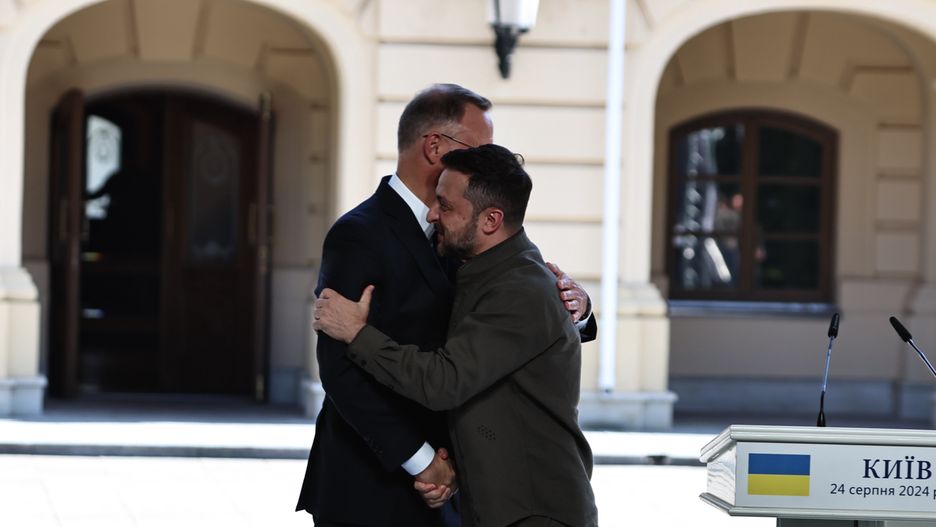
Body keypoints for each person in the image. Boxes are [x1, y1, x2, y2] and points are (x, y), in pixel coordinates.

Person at [295, 84, 596, 527]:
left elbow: (518, 299)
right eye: (481, 148)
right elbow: (340, 371)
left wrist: (578, 308)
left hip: (468, 487)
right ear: (435, 146)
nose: (489, 160)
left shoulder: (473, 226)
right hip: (374, 480)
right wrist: (421, 462)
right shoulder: (358, 234)